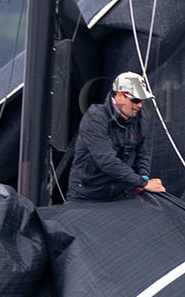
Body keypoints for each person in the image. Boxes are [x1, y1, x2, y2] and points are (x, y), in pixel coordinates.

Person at [67, 72, 165, 201]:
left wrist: (144, 177)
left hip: (118, 195)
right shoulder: (95, 118)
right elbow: (106, 160)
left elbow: (143, 153)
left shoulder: (140, 119)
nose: (139, 105)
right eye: (135, 100)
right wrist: (143, 183)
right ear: (119, 95)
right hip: (86, 196)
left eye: (142, 100)